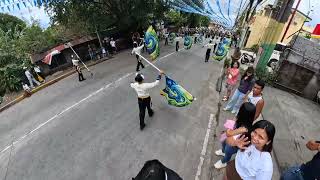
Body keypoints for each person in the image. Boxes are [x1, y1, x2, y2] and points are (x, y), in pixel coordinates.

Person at [214, 102, 256, 169]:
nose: (239, 109)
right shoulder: (240, 119)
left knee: (228, 153)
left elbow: (228, 133)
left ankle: (223, 162)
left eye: (241, 108)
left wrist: (230, 126)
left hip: (233, 145)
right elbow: (230, 130)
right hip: (228, 139)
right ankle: (222, 152)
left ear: (243, 112)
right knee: (224, 145)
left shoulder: (244, 128)